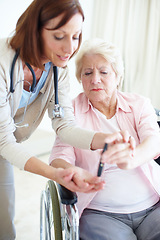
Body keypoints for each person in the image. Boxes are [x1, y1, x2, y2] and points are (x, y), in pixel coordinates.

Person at [0, 1, 124, 239]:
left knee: (4, 225)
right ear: (35, 31)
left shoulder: (58, 67)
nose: (70, 47)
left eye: (76, 36)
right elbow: (5, 141)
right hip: (4, 142)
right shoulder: (3, 62)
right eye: (59, 36)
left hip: (3, 146)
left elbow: (64, 125)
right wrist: (54, 173)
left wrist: (105, 139)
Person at [49, 38, 160, 240]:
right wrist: (71, 171)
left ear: (117, 76)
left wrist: (132, 159)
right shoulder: (71, 111)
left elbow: (154, 140)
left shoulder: (139, 104)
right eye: (88, 73)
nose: (95, 79)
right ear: (80, 78)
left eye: (104, 72)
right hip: (100, 214)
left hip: (153, 207)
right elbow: (59, 157)